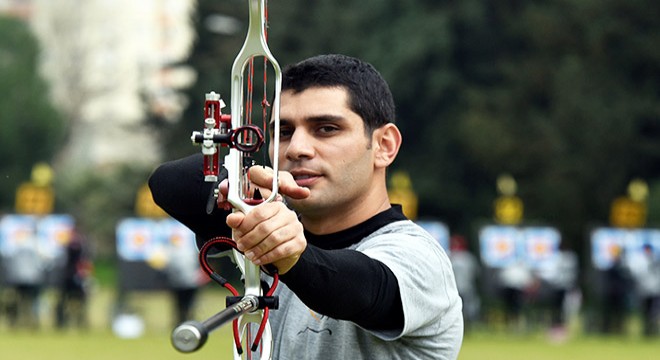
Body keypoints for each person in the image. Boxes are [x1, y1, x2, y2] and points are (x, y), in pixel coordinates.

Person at [150, 54, 463, 359]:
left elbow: (361, 290)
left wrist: (289, 255)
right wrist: (245, 188)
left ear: (384, 146)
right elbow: (169, 183)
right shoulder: (265, 229)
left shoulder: (418, 255)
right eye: (283, 132)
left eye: (326, 128)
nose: (297, 148)